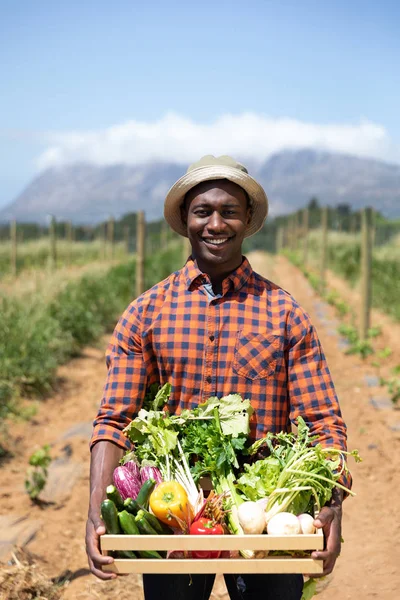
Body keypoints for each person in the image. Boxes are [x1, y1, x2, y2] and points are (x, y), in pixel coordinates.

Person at [86, 155, 351, 600]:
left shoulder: (285, 314)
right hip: (173, 517)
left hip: (264, 516)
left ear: (248, 221)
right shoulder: (146, 314)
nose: (216, 224)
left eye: (229, 211)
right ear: (185, 220)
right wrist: (96, 510)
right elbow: (114, 420)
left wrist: (332, 507)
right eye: (203, 211)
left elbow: (324, 423)